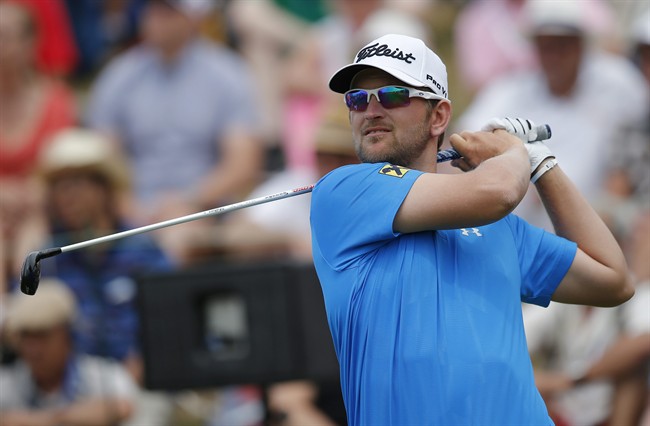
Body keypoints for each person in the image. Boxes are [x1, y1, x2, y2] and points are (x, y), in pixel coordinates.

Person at [309, 33, 634, 424]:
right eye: (358, 100)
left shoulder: (498, 226)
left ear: (440, 116)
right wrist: (514, 153)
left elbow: (614, 280)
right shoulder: (343, 191)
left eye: (393, 96)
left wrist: (543, 166)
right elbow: (498, 190)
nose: (371, 110)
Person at [86, 0, 264, 265]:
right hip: (131, 211)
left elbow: (242, 164)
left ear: (194, 18)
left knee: (180, 240)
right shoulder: (118, 76)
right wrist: (130, 207)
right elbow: (101, 160)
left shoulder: (228, 74)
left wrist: (187, 202)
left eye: (168, 10)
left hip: (205, 211)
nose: (155, 17)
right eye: (151, 8)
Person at [456, 0, 650, 231]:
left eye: (563, 44)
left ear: (580, 44)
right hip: (521, 227)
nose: (554, 55)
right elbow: (465, 137)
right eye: (546, 45)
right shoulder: (509, 90)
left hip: (600, 225)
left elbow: (631, 157)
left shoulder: (619, 85)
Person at [0, 278, 138, 426]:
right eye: (26, 336)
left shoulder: (102, 376)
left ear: (68, 335)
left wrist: (45, 420)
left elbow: (124, 408)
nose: (34, 349)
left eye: (42, 335)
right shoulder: (7, 384)